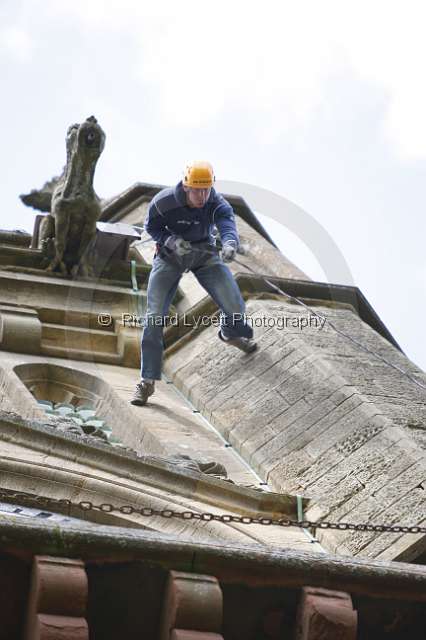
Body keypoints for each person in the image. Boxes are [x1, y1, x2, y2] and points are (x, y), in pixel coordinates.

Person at [131, 161, 256, 406]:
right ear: (186, 187)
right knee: (154, 318)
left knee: (235, 306)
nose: (202, 196)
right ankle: (146, 382)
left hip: (204, 255)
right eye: (197, 190)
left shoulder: (216, 202)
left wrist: (230, 243)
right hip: (169, 259)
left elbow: (227, 222)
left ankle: (230, 334)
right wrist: (170, 241)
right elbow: (152, 227)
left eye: (206, 190)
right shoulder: (163, 202)